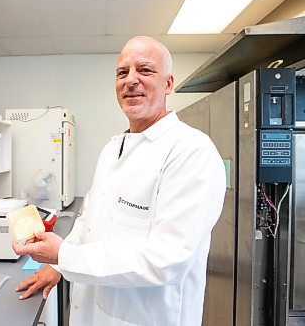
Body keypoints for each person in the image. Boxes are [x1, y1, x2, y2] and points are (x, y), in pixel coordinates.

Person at [12, 36, 226, 326]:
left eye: (145, 70)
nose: (131, 81)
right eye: (122, 73)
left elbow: (167, 260)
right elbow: (89, 221)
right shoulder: (114, 148)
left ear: (168, 83)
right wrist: (60, 265)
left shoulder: (191, 151)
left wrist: (65, 256)